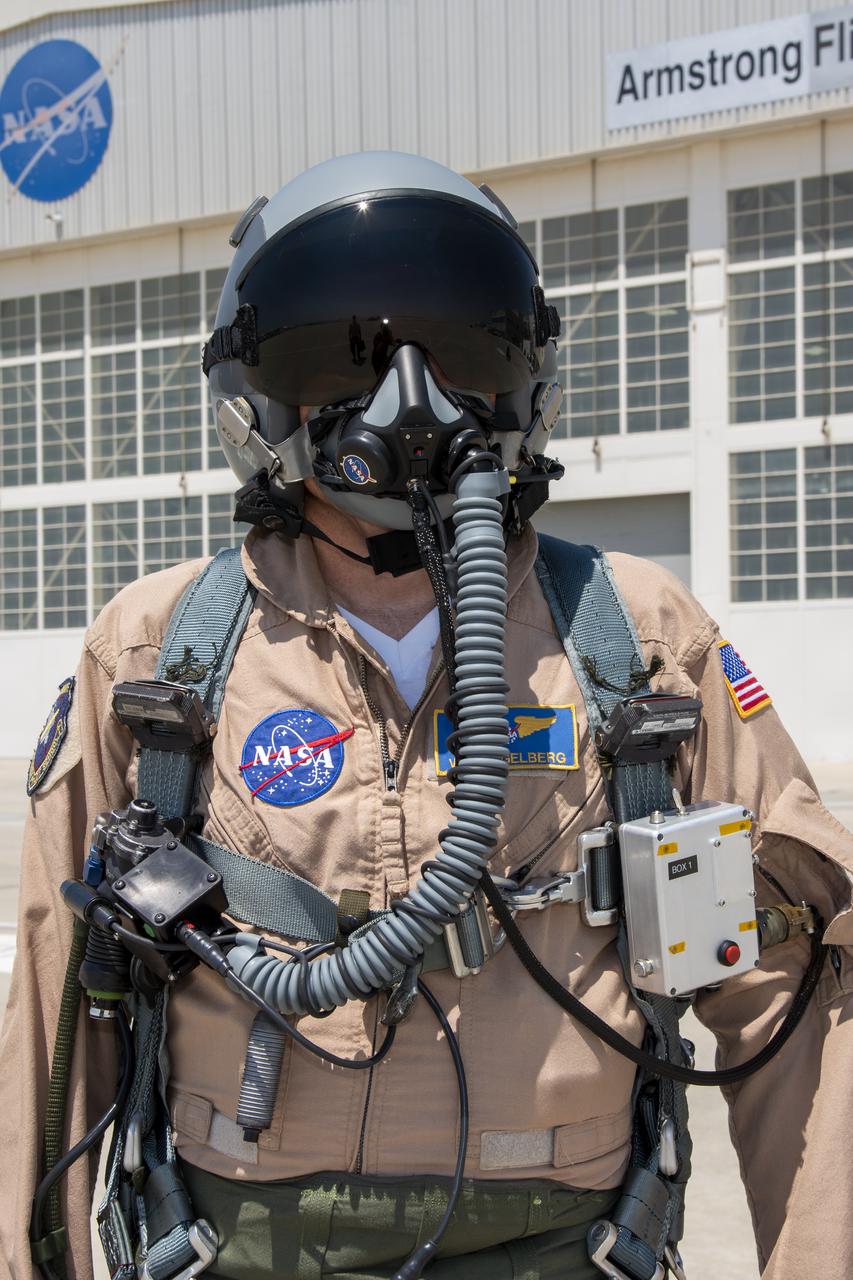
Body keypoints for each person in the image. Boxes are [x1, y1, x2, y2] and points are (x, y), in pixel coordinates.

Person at [1, 151, 853, 1280]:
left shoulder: (639, 640)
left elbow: (791, 997)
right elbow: (59, 1004)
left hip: (563, 1244)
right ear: (257, 393)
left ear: (522, 373)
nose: (412, 397)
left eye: (462, 352)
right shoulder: (160, 654)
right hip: (234, 1244)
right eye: (338, 353)